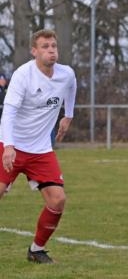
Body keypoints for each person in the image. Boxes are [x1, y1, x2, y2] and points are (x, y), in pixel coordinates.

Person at [0, 29, 77, 264]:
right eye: (45, 46)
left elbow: (72, 88)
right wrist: (8, 146)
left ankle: (37, 249)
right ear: (34, 51)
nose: (51, 50)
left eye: (54, 45)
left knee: (58, 200)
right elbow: (9, 112)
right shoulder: (23, 75)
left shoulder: (66, 74)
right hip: (12, 145)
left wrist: (68, 115)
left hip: (41, 150)